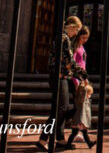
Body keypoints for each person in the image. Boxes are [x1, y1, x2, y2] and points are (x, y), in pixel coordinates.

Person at [36, 16, 87, 151]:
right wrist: (82, 74)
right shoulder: (64, 39)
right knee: (61, 109)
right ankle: (43, 139)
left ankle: (60, 139)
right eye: (76, 30)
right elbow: (69, 61)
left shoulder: (64, 38)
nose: (76, 33)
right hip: (59, 76)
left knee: (61, 108)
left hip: (62, 76)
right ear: (71, 27)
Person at [66, 80, 96, 149]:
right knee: (78, 133)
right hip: (79, 120)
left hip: (80, 120)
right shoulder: (81, 100)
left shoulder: (84, 100)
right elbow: (82, 93)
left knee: (78, 133)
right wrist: (84, 86)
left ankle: (89, 144)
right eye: (89, 93)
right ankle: (69, 144)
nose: (90, 95)